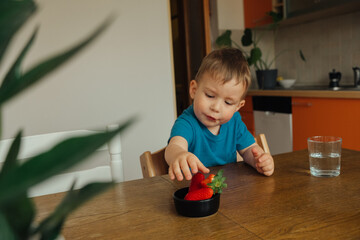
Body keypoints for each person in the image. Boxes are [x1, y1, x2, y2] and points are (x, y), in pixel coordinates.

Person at [165, 48, 274, 181]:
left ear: (237, 107)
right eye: (210, 95)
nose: (216, 108)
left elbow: (248, 150)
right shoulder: (187, 122)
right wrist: (179, 154)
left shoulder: (234, 122)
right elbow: (174, 147)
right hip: (197, 193)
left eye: (228, 103)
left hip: (229, 190)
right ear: (194, 90)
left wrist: (260, 161)